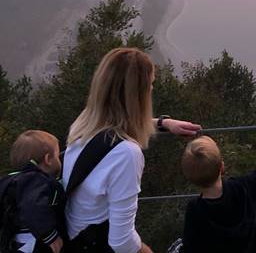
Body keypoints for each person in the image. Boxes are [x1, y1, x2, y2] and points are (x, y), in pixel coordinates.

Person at [62, 48, 200, 253]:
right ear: (138, 94)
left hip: (73, 238)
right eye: (151, 84)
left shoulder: (84, 126)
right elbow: (122, 242)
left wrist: (164, 123)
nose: (152, 89)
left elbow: (122, 122)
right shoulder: (126, 154)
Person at [0, 130, 65, 253]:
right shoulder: (35, 179)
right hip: (34, 242)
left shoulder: (7, 181)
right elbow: (32, 206)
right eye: (57, 155)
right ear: (48, 159)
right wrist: (50, 236)